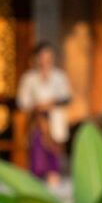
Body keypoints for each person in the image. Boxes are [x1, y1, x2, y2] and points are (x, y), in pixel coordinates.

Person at [16, 42, 71, 188]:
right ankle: (37, 178)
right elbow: (22, 101)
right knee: (37, 147)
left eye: (48, 57)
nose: (44, 61)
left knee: (53, 148)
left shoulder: (59, 76)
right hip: (37, 120)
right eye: (42, 57)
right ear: (36, 59)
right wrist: (36, 106)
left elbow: (66, 97)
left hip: (54, 119)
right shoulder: (29, 78)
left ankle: (54, 176)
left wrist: (51, 104)